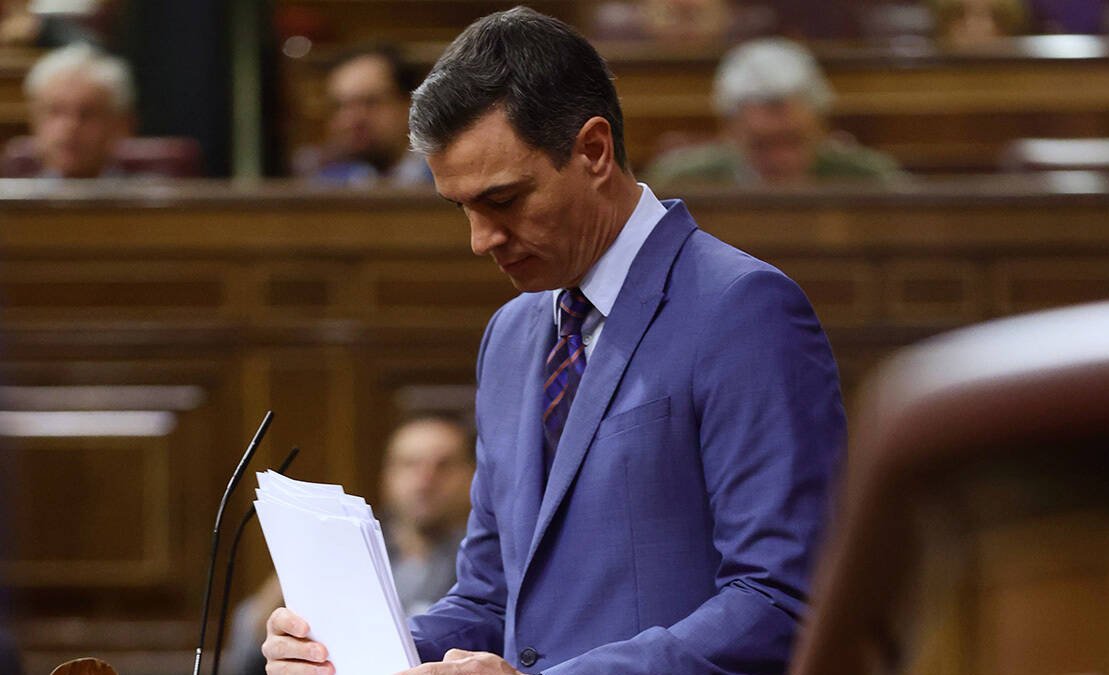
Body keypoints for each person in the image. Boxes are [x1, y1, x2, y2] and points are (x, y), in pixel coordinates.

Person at [264, 7, 845, 675]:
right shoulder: (511, 334)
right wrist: (346, 651)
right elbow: (490, 598)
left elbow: (781, 602)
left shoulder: (743, 310)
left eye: (503, 200)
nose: (481, 241)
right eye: (463, 209)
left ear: (594, 150)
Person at [225, 415, 474, 675]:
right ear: (386, 476)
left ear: (473, 475)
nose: (424, 481)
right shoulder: (344, 543)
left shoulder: (489, 558)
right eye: (409, 465)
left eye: (443, 466)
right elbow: (246, 651)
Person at [645, 37, 900, 186]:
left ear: (821, 126)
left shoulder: (870, 179)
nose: (782, 160)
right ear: (729, 130)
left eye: (795, 141)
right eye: (762, 144)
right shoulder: (682, 183)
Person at [302, 44, 432, 188]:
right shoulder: (327, 184)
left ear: (412, 105)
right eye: (340, 106)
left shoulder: (449, 181)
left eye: (370, 103)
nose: (350, 120)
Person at [21, 42, 134, 178]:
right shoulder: (8, 197)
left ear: (120, 125)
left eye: (87, 114)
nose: (70, 126)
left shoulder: (152, 196)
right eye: (55, 111)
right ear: (34, 120)